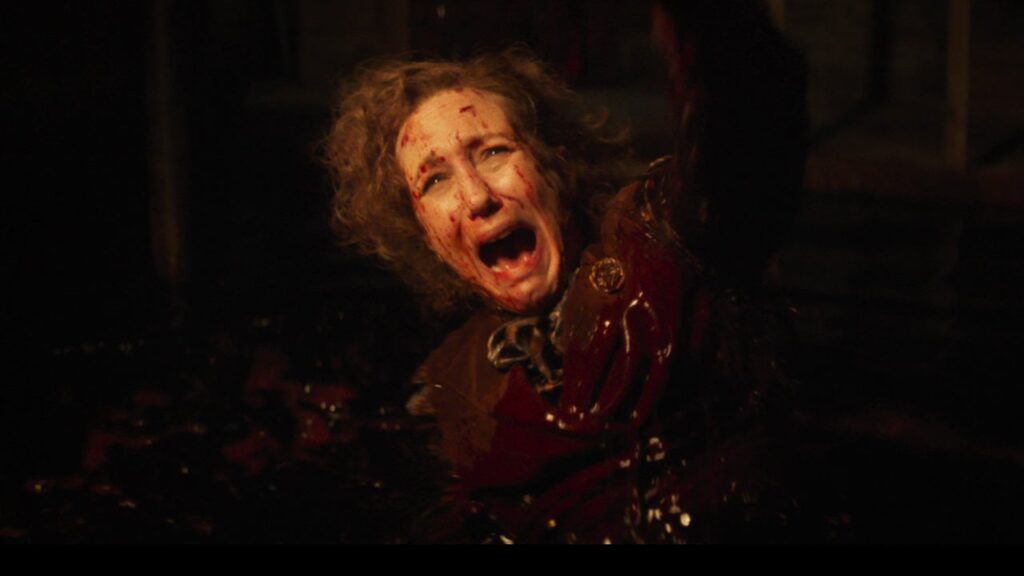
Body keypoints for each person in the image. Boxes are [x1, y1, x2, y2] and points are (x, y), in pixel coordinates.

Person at [324, 2, 809, 543]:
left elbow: (746, 127)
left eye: (494, 152)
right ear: (427, 236)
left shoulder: (662, 238)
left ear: (554, 165)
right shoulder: (447, 393)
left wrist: (701, 24)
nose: (477, 197)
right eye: (435, 181)